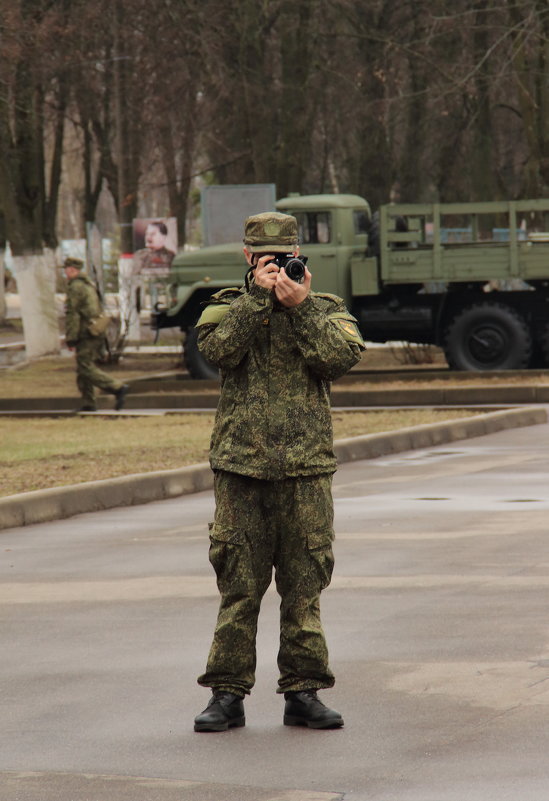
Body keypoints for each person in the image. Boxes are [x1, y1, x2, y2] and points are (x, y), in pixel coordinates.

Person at [193, 212, 365, 732]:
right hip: (241, 470)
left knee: (304, 584)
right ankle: (226, 695)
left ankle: (304, 691)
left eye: (285, 256)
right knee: (238, 588)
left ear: (300, 255)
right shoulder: (224, 308)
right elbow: (216, 352)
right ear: (247, 258)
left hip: (305, 471)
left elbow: (342, 358)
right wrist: (254, 301)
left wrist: (302, 307)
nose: (276, 266)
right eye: (265, 258)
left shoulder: (326, 309)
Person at [63, 257, 129, 412]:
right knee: (83, 368)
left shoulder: (75, 287)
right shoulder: (88, 284)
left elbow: (73, 314)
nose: (65, 272)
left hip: (86, 332)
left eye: (66, 269)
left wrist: (71, 338)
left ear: (72, 270)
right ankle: (88, 404)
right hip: (96, 329)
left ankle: (117, 387)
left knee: (85, 367)